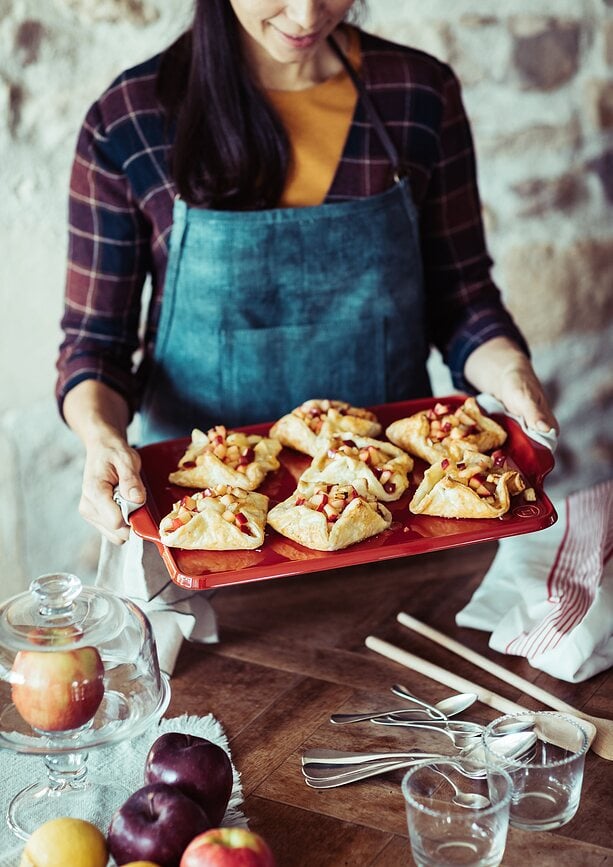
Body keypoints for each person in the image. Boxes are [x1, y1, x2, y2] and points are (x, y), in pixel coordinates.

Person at [57, 0, 558, 547]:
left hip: (399, 521)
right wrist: (101, 436)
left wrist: (510, 370)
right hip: (197, 529)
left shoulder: (417, 94)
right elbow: (94, 346)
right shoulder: (128, 120)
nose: (305, 15)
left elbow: (462, 299)